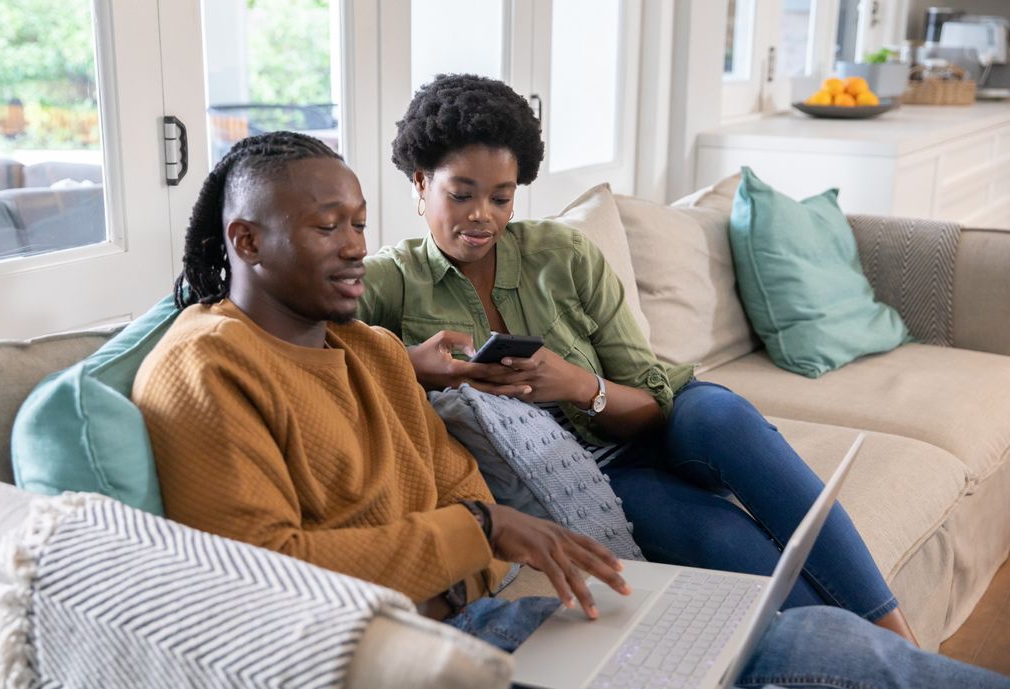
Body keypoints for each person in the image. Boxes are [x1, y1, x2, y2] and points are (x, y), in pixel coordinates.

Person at [132, 131, 1010, 689]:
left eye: (359, 224)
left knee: (826, 642)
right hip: (386, 669)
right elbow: (262, 573)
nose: (357, 245)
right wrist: (480, 529)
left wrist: (495, 543)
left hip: (489, 622)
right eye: (329, 227)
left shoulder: (365, 347)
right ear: (246, 241)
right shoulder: (206, 367)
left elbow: (453, 480)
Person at [357, 73, 918, 644]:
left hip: (661, 420)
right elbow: (315, 343)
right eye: (462, 195)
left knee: (725, 418)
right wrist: (407, 363)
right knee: (719, 537)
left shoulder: (563, 254)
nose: (483, 215)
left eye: (501, 198)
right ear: (421, 182)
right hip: (592, 475)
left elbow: (652, 402)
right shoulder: (389, 281)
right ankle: (875, 658)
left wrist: (578, 385)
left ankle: (900, 638)